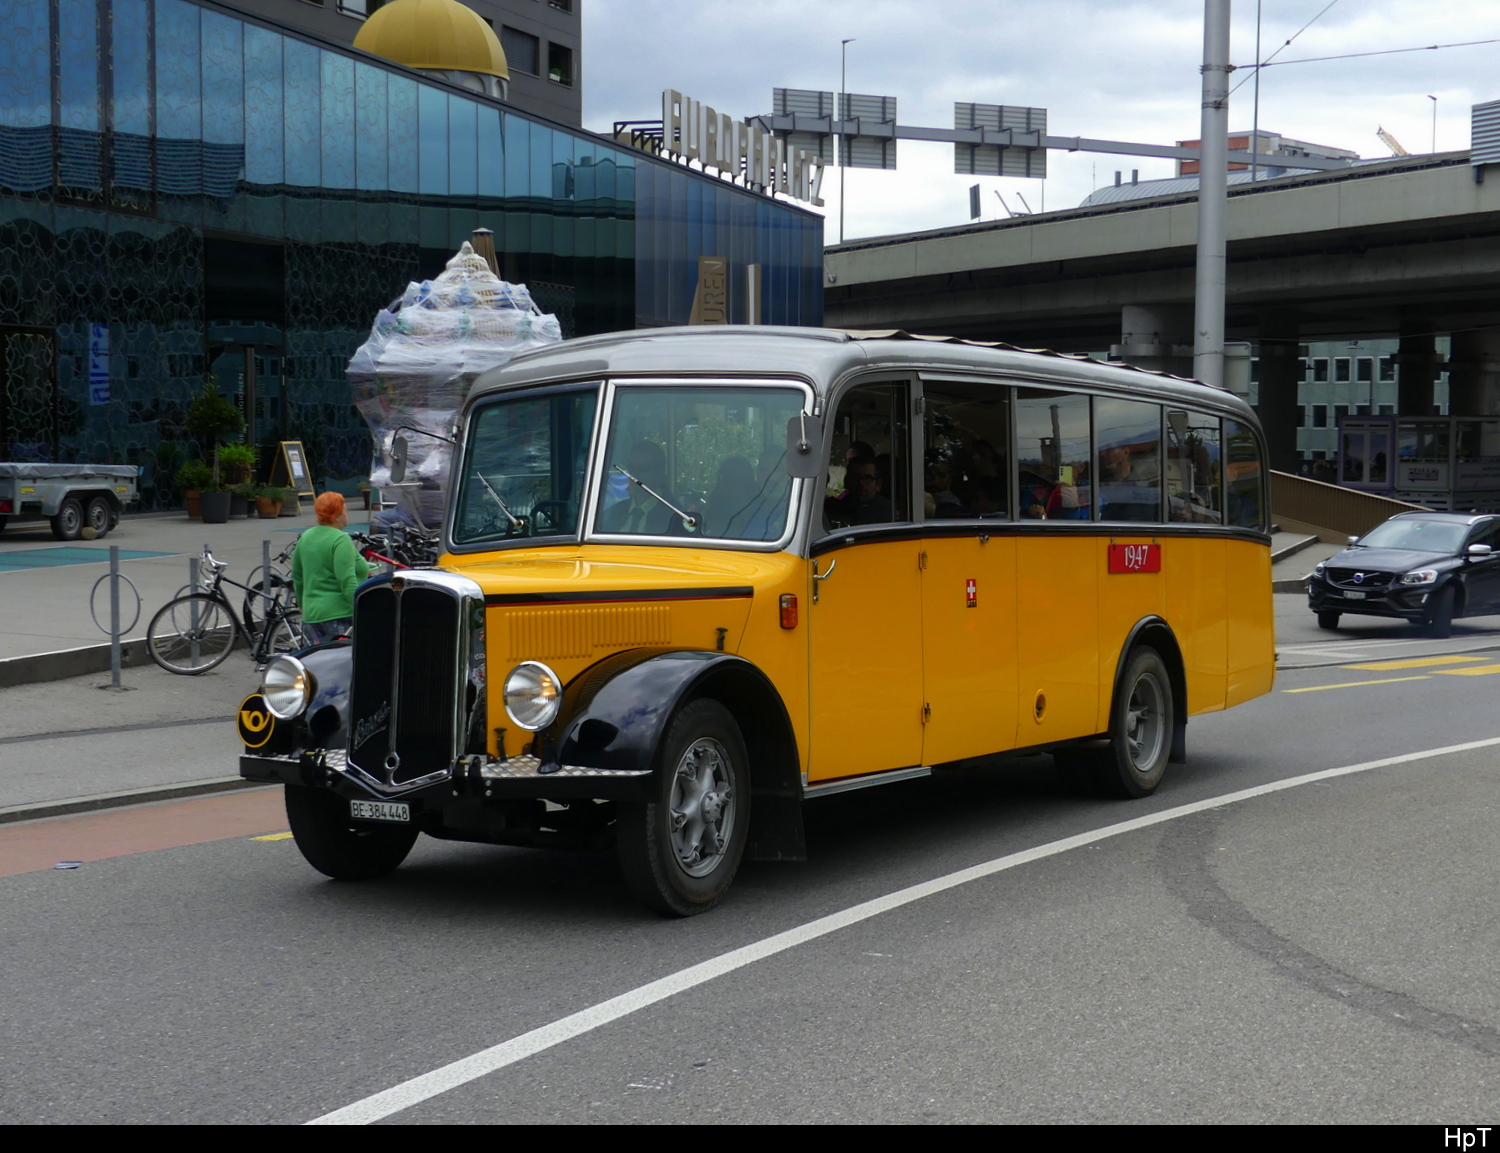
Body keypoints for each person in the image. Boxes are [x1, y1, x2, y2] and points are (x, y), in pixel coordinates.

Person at [292, 491, 371, 645]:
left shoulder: (306, 537)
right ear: (336, 515)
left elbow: (298, 577)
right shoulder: (340, 540)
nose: (347, 516)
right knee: (343, 663)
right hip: (339, 613)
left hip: (311, 615)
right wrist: (361, 608)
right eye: (345, 512)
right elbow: (347, 580)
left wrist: (302, 605)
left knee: (318, 664)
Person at [600, 439, 676, 534]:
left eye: (642, 469)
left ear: (659, 473)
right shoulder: (615, 511)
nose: (635, 474)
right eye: (631, 468)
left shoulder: (674, 517)